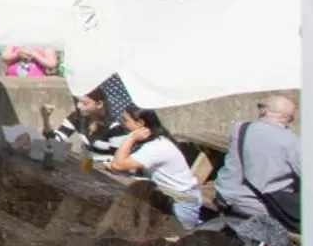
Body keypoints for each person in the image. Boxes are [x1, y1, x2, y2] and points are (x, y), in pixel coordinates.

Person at [214, 94, 301, 231]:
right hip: (255, 205)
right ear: (289, 118)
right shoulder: (291, 142)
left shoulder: (239, 128)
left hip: (225, 193)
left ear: (264, 110)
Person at [108, 109, 205, 229]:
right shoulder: (156, 142)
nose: (122, 123)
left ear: (140, 124)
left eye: (125, 120)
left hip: (181, 201)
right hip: (169, 196)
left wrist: (131, 138)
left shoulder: (157, 147)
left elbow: (117, 164)